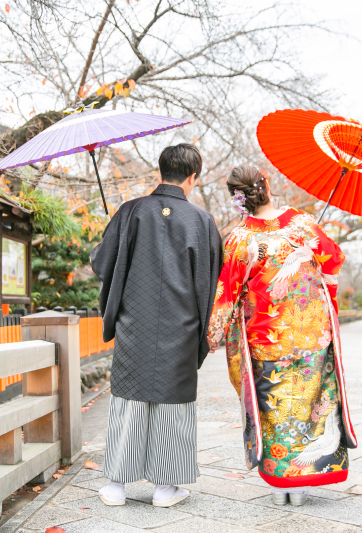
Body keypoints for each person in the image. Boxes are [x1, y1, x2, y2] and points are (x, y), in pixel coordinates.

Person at [206, 165, 357, 508]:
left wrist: (211, 338)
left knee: (275, 411)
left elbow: (226, 296)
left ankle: (279, 485)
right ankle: (303, 484)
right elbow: (333, 259)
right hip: (310, 337)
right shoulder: (303, 223)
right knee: (307, 408)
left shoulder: (239, 240)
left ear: (237, 198)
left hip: (267, 340)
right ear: (267, 185)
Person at [90, 144, 222, 508]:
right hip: (181, 325)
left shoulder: (131, 211)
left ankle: (116, 485)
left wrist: (111, 241)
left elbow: (102, 264)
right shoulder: (202, 221)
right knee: (172, 404)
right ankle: (166, 488)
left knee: (130, 399)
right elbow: (211, 282)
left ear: (159, 170)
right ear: (193, 177)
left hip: (136, 322)